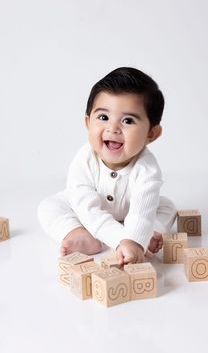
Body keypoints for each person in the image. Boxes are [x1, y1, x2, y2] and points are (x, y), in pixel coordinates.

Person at [38, 67, 176, 265]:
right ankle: (78, 233)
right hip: (87, 213)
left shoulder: (147, 168)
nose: (113, 128)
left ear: (151, 134)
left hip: (129, 211)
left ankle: (146, 235)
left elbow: (140, 212)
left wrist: (135, 241)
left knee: (166, 206)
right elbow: (87, 209)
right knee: (49, 207)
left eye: (128, 120)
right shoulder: (84, 160)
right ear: (88, 122)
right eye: (103, 117)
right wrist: (120, 241)